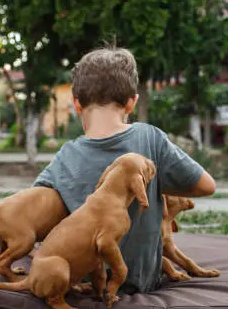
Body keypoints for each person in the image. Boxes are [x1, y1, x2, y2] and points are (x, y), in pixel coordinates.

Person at [34, 47, 216, 294]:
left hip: (80, 280)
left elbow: (31, 212)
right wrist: (159, 182)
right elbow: (207, 186)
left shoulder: (65, 156)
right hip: (143, 283)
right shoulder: (151, 139)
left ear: (76, 104)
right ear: (131, 102)